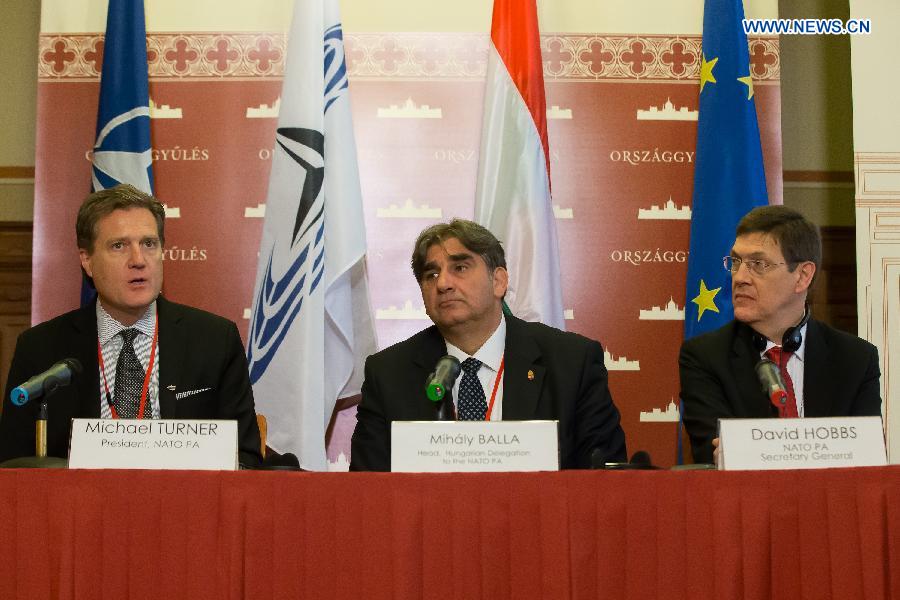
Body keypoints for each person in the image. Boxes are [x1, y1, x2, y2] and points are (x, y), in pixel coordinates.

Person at [0, 184, 262, 466]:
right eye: (119, 246)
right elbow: (15, 463)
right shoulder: (41, 348)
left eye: (149, 244)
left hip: (187, 505)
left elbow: (245, 459)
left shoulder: (214, 340)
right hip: (81, 507)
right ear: (87, 260)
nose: (138, 261)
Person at [350, 219, 626, 470]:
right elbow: (368, 492)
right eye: (430, 274)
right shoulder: (388, 374)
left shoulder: (571, 363)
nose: (443, 283)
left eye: (460, 267)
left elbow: (603, 485)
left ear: (498, 281)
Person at [679, 205, 882, 464]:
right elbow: (713, 456)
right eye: (736, 262)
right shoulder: (705, 357)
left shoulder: (856, 359)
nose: (740, 277)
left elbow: (866, 458)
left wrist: (750, 453)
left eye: (758, 264)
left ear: (802, 276)